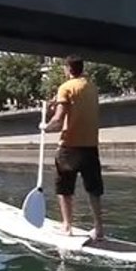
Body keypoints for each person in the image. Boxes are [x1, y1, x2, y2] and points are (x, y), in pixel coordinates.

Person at [39, 55, 104, 240]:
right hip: (91, 146)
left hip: (69, 147)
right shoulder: (92, 87)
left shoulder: (65, 87)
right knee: (94, 189)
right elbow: (77, 104)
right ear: (82, 68)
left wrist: (45, 126)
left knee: (64, 188)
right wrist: (57, 102)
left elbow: (58, 121)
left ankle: (67, 227)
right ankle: (99, 229)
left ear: (67, 69)